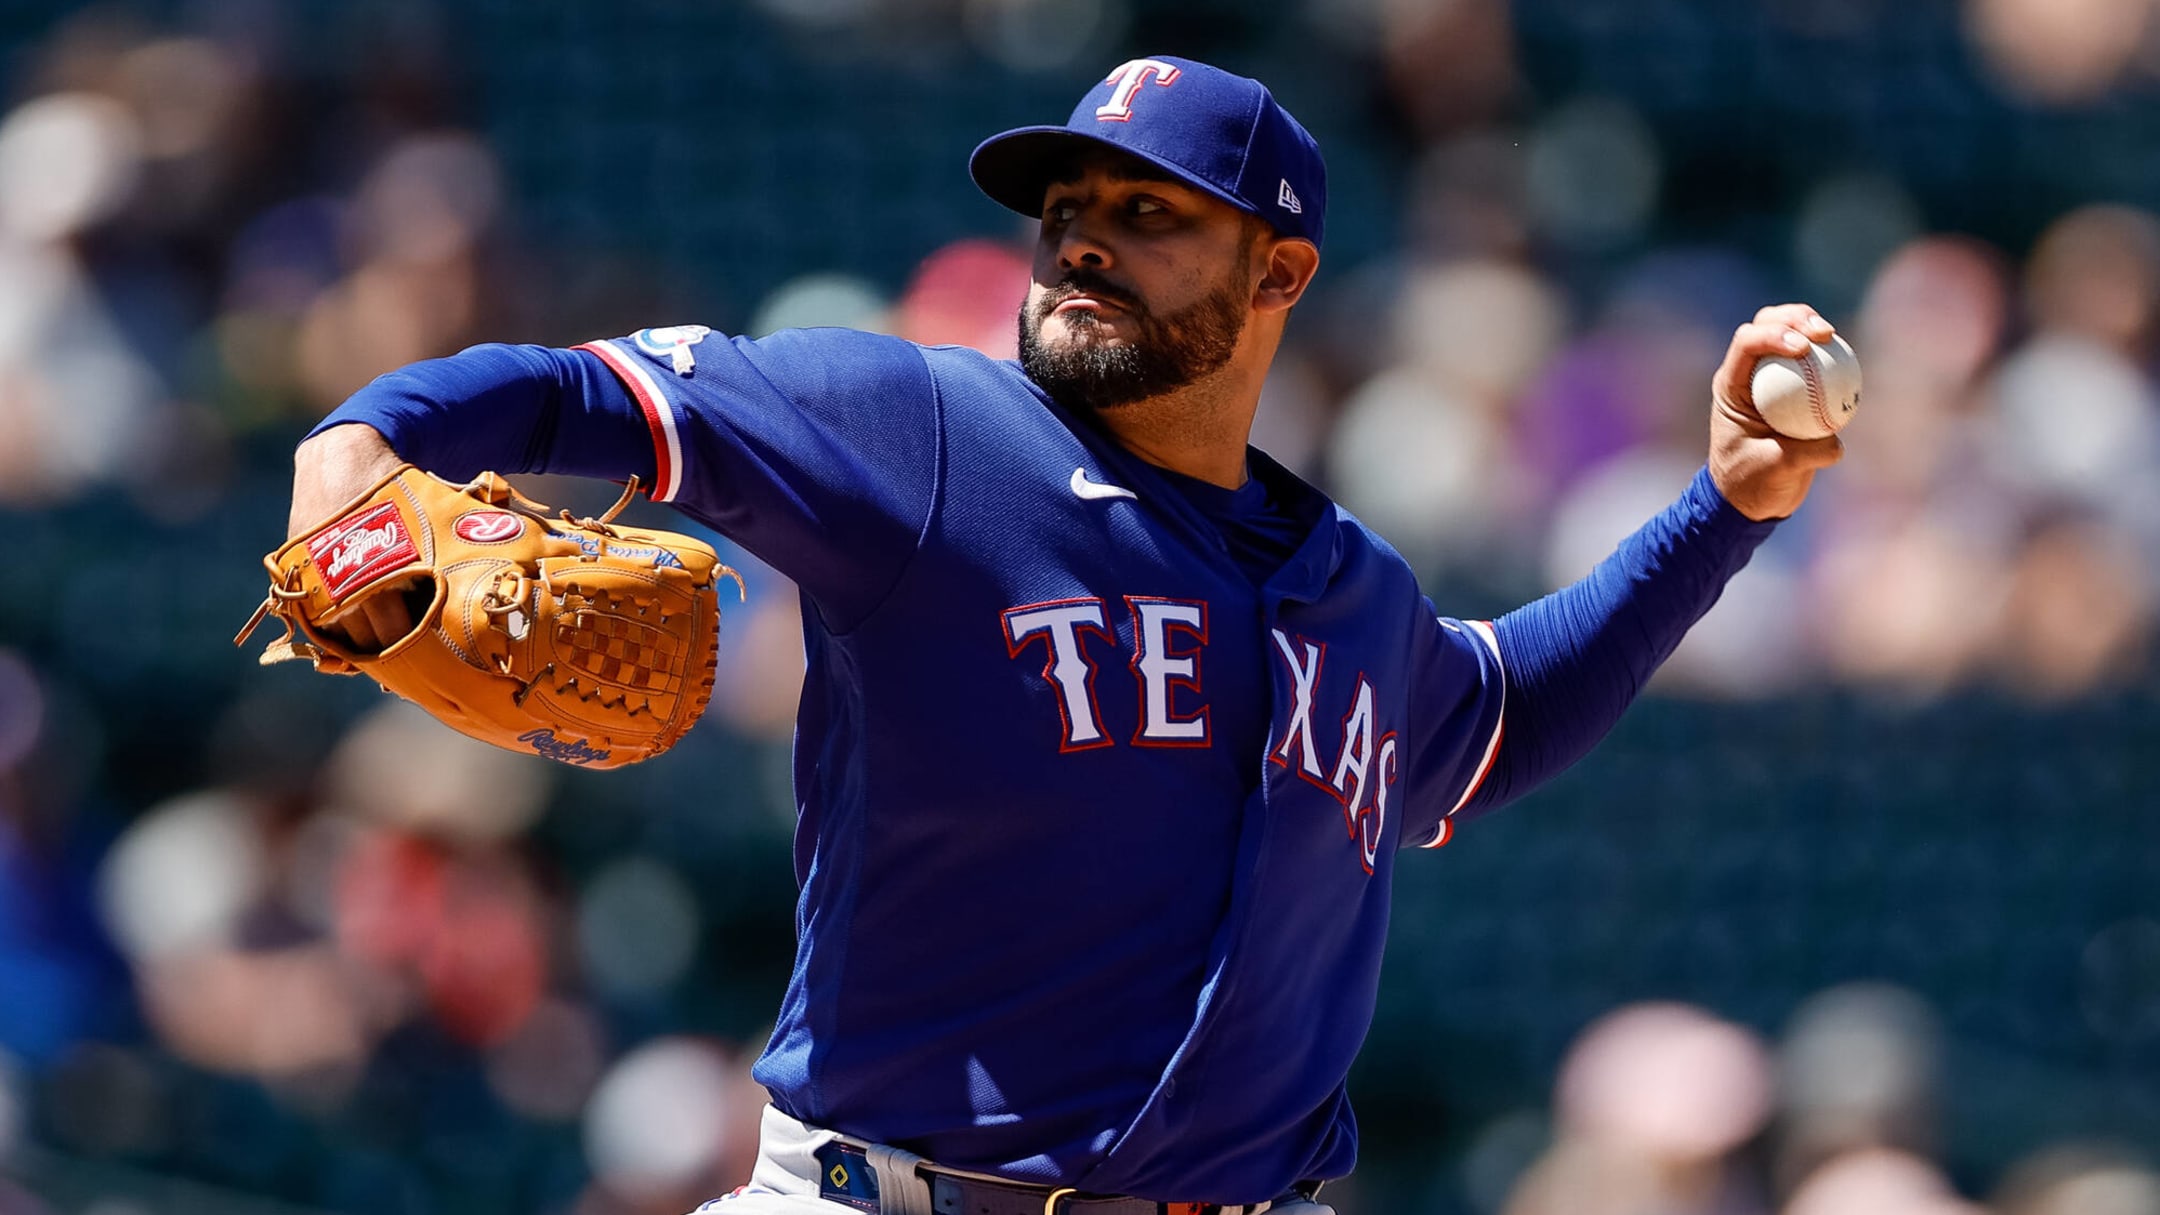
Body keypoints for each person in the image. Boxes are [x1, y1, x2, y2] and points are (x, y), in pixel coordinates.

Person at [285, 56, 1843, 1215]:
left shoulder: (1356, 589)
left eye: (1148, 213)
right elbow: (579, 392)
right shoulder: (920, 428)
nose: (1082, 242)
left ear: (1280, 272)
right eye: (1067, 209)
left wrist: (1727, 507)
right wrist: (366, 440)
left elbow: (1496, 718)